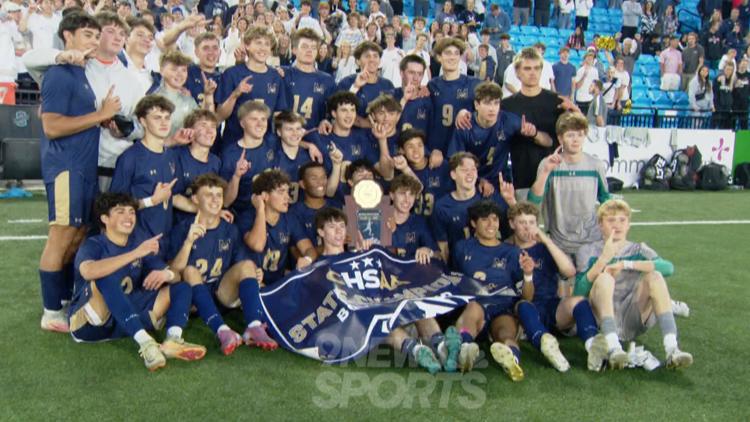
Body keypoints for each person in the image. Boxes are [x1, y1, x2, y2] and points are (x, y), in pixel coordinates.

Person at [68, 192, 206, 371]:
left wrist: (167, 275)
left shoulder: (137, 244)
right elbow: (89, 271)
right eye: (120, 212)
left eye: (132, 212)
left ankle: (173, 339)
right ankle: (146, 343)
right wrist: (135, 254)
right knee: (104, 277)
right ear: (105, 218)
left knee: (181, 287)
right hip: (92, 324)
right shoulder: (93, 244)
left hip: (126, 318)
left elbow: (176, 275)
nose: (128, 217)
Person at [311, 207, 454, 373]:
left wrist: (372, 252)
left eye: (342, 226)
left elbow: (392, 271)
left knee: (414, 302)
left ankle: (442, 346)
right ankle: (418, 351)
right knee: (378, 320)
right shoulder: (318, 267)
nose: (338, 231)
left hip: (384, 306)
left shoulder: (360, 254)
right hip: (357, 322)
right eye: (332, 227)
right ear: (321, 232)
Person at [38, 12, 111, 332]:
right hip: (66, 166)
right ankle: (51, 311)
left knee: (79, 233)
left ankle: (64, 298)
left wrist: (103, 120)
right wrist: (99, 115)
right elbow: (52, 126)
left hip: (83, 166)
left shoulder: (81, 73)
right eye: (87, 35)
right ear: (67, 36)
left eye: (96, 36)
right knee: (62, 235)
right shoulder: (59, 73)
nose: (93, 41)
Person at [574, 199, 694, 370]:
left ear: (628, 224)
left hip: (633, 316)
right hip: (600, 318)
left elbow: (668, 268)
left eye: (622, 220)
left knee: (655, 277)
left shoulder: (638, 249)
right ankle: (613, 346)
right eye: (611, 220)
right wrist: (603, 260)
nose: (617, 225)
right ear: (600, 225)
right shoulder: (587, 251)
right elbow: (578, 293)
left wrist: (626, 264)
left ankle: (672, 348)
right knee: (605, 279)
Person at [168, 173, 277, 354]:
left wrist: (254, 273)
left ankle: (253, 327)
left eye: (219, 195)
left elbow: (241, 264)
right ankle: (223, 330)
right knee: (189, 271)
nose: (215, 200)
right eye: (208, 195)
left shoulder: (230, 230)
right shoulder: (182, 228)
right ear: (195, 199)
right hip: (194, 300)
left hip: (221, 294)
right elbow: (174, 273)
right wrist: (188, 242)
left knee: (247, 265)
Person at [506, 202, 605, 371]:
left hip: (551, 305)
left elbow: (570, 271)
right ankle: (547, 345)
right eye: (522, 222)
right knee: (523, 306)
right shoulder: (506, 249)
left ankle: (592, 346)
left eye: (531, 222)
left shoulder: (545, 248)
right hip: (524, 309)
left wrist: (546, 240)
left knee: (578, 301)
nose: (527, 227)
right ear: (512, 224)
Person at [450, 200, 537, 378]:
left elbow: (527, 297)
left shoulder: (512, 252)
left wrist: (528, 275)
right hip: (476, 304)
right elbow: (453, 280)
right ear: (473, 223)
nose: (491, 224)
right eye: (485, 219)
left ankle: (512, 359)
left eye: (495, 219)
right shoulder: (462, 247)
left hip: (503, 306)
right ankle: (465, 348)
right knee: (473, 308)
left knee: (505, 334)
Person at [528, 112, 609, 257]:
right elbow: (533, 201)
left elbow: (606, 201)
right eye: (570, 135)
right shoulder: (549, 164)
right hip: (559, 243)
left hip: (591, 242)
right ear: (560, 138)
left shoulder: (595, 165)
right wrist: (546, 171)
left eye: (580, 135)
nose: (576, 140)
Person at [501, 48, 569, 202]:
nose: (532, 73)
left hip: (554, 178)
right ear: (517, 72)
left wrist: (575, 111)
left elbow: (560, 139)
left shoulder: (557, 102)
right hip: (522, 178)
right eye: (527, 68)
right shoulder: (506, 106)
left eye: (536, 68)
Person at [448, 82, 531, 195]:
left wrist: (534, 133)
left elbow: (546, 141)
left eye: (496, 103)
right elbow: (455, 162)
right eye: (487, 103)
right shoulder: (465, 125)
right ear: (476, 105)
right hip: (471, 182)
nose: (492, 109)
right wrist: (478, 180)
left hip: (501, 182)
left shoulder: (508, 121)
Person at [431, 152, 514, 263]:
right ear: (453, 174)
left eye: (473, 170)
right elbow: (443, 246)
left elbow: (517, 226)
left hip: (493, 262)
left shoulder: (489, 196)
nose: (470, 174)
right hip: (461, 264)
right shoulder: (442, 206)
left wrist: (511, 201)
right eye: (464, 170)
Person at [215, 26, 288, 149]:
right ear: (247, 45)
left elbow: (278, 115)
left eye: (267, 44)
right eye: (258, 43)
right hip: (234, 144)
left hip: (265, 147)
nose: (263, 48)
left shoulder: (276, 77)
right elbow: (220, 116)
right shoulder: (231, 74)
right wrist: (236, 94)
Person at [243, 170, 318, 285]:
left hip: (279, 284)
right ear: (265, 196)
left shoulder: (290, 218)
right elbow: (258, 245)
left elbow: (309, 249)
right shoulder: (247, 218)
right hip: (253, 283)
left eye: (287, 192)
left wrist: (307, 259)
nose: (287, 197)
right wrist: (260, 209)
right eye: (281, 192)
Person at [427, 37, 481, 154]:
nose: (452, 57)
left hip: (465, 150)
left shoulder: (474, 84)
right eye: (448, 53)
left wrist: (469, 114)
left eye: (456, 53)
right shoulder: (432, 85)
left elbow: (489, 114)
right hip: (438, 150)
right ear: (439, 57)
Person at [282, 29, 336, 130]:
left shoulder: (327, 80)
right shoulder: (282, 74)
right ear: (294, 50)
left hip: (314, 135)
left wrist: (327, 121)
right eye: (304, 46)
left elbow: (334, 112)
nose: (309, 51)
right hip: (285, 135)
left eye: (313, 47)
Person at [336, 41, 396, 128]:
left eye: (375, 56)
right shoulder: (346, 83)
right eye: (367, 56)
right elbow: (339, 112)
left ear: (379, 61)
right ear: (358, 61)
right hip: (354, 134)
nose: (372, 60)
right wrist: (355, 86)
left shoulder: (388, 85)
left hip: (381, 133)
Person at [395, 129, 451, 217]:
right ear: (402, 150)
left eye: (420, 145)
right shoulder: (400, 169)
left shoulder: (440, 164)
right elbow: (418, 187)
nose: (416, 150)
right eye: (410, 146)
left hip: (440, 219)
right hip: (415, 221)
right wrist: (405, 168)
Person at [713, 61, 735, 128]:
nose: (729, 71)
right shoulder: (719, 78)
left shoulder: (732, 80)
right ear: (724, 69)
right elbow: (714, 92)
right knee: (715, 126)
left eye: (731, 70)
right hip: (718, 107)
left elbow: (731, 92)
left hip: (728, 108)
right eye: (727, 69)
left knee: (727, 128)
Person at [734, 58, 749, 129]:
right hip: (734, 102)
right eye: (743, 64)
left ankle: (744, 136)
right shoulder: (734, 74)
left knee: (744, 123)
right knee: (732, 122)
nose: (744, 66)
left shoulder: (749, 75)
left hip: (744, 102)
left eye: (746, 64)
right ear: (739, 64)